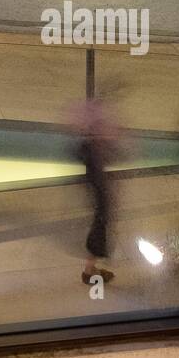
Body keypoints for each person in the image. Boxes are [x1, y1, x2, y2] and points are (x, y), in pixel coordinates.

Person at [72, 98, 122, 286]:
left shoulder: (90, 147)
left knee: (101, 220)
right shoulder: (92, 148)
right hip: (99, 188)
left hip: (98, 186)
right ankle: (90, 270)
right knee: (101, 221)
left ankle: (91, 267)